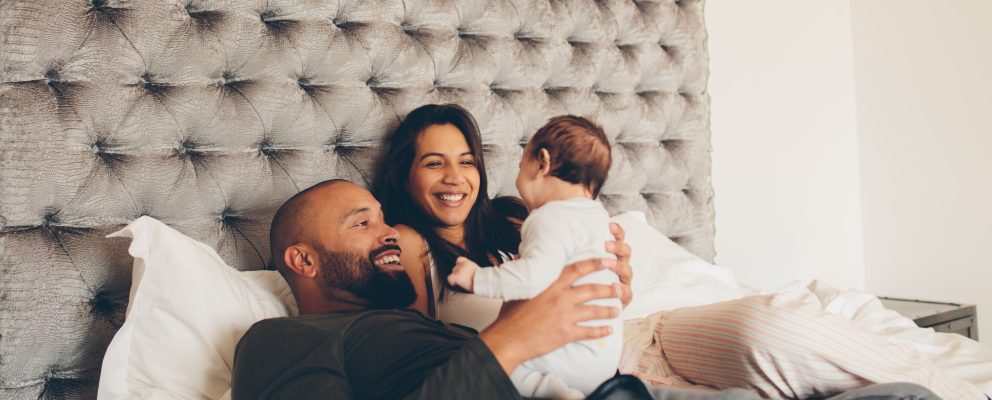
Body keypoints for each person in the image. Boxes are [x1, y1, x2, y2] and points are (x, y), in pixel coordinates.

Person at [372, 104, 985, 399]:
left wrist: (620, 281)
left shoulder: (520, 219)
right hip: (590, 381)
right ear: (405, 175)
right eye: (434, 163)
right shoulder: (407, 248)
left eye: (467, 162)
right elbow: (419, 350)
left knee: (771, 329)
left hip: (640, 334)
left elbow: (603, 286)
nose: (456, 178)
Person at [230, 180, 625, 399]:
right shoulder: (280, 339)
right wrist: (508, 343)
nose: (390, 234)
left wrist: (591, 305)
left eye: (384, 221)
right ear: (304, 261)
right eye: (362, 224)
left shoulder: (435, 330)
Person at [447, 115, 622, 398]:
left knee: (500, 368)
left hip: (570, 353)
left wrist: (476, 277)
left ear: (542, 163)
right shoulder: (598, 218)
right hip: (604, 354)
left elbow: (530, 280)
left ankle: (557, 394)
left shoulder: (548, 217)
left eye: (520, 166)